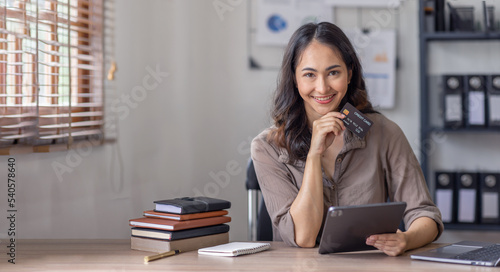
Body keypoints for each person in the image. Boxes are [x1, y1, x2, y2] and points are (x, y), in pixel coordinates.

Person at [250, 22, 443, 257]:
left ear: (349, 73)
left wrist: (407, 238)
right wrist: (314, 155)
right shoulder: (266, 147)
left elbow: (425, 214)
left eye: (333, 73)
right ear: (294, 78)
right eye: (309, 74)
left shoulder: (385, 133)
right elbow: (304, 237)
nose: (322, 88)